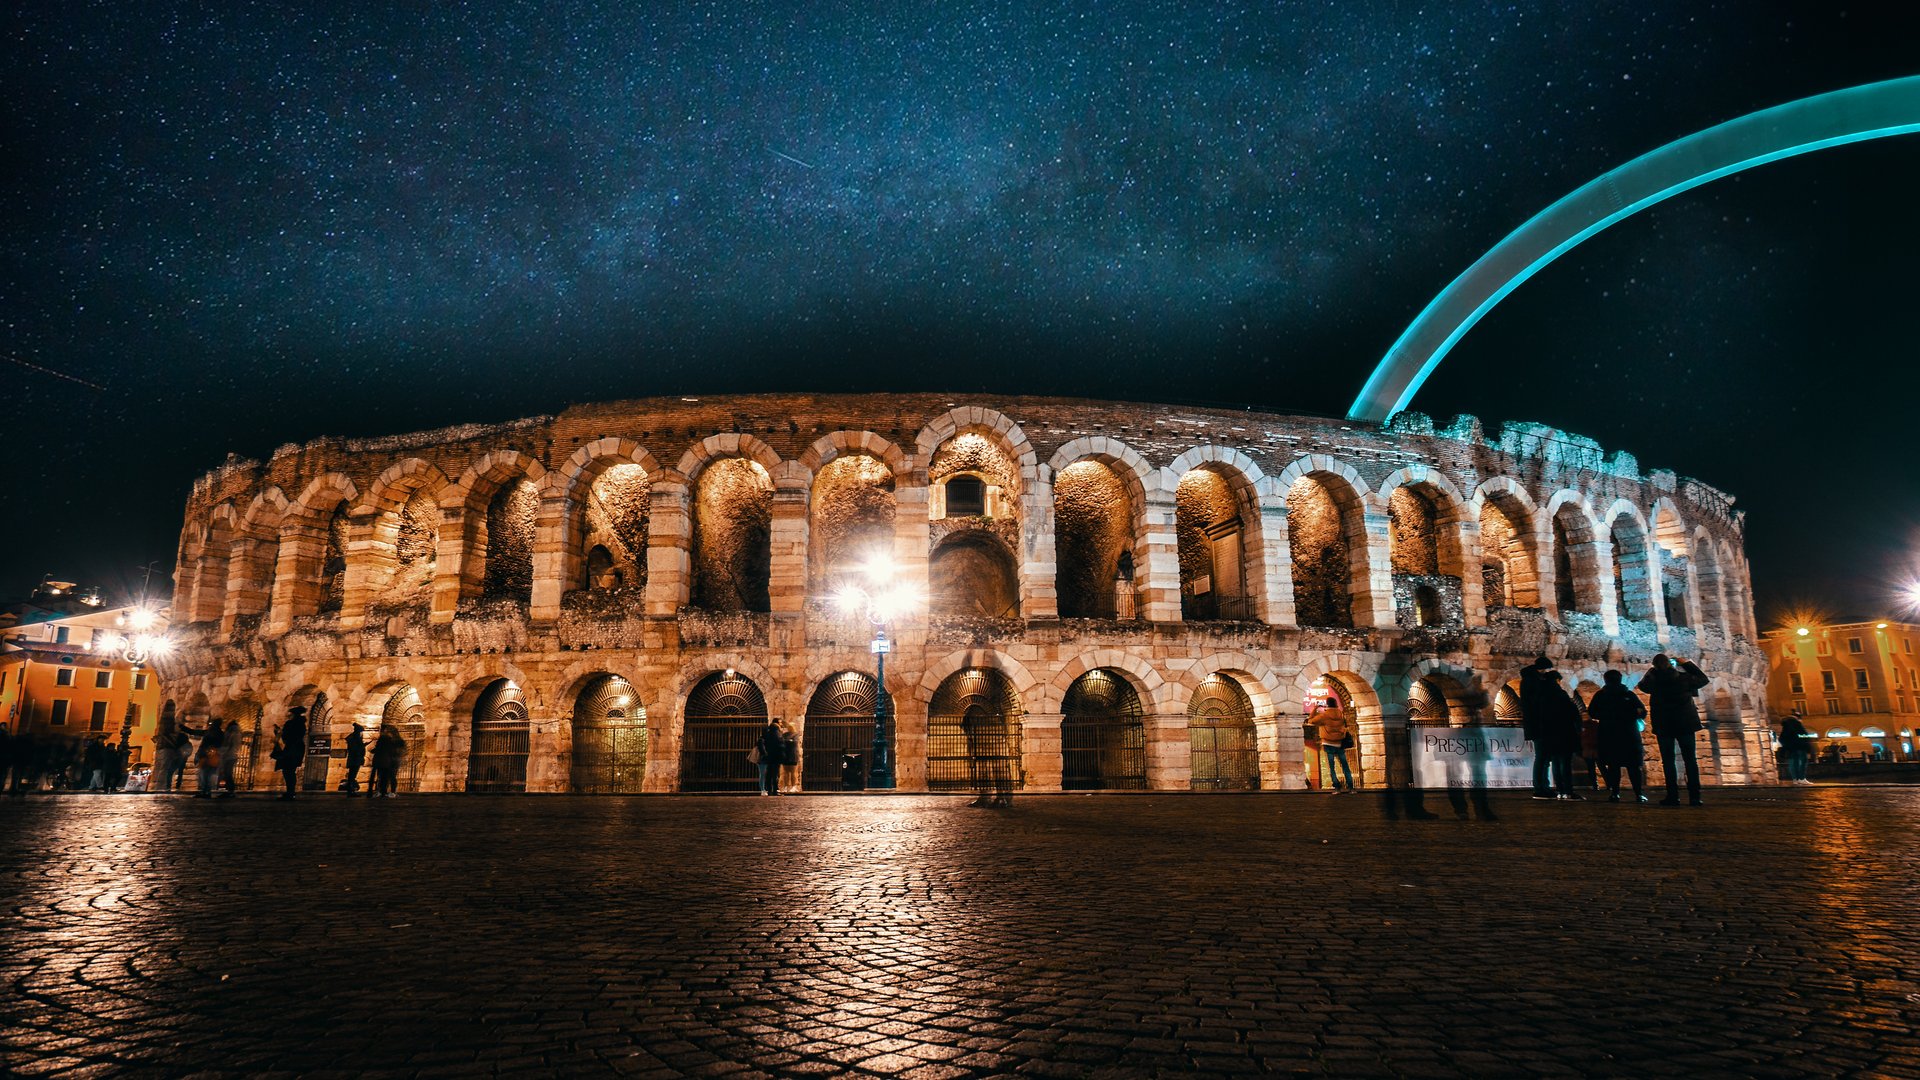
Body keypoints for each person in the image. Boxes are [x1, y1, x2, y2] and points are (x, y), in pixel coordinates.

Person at [1638, 654, 1711, 806]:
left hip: (1664, 725)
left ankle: (1673, 796)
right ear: (1671, 665)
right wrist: (1686, 664)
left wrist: (1652, 671)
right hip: (1685, 724)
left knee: (1668, 761)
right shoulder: (1684, 678)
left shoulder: (1655, 680)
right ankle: (1695, 797)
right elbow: (1703, 679)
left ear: (1655, 665)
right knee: (1690, 760)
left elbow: (1642, 686)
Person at [1588, 669, 1648, 802]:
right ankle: (1638, 794)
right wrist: (1632, 714)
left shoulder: (1601, 695)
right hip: (1629, 734)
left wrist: (1607, 716)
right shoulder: (1629, 695)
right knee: (1633, 766)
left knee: (1613, 766)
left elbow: (1592, 712)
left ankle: (1615, 793)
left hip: (1609, 734)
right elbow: (1642, 712)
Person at [1518, 655, 1560, 800]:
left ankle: (1543, 786)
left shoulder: (1530, 680)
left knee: (1543, 757)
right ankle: (1540, 787)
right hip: (1539, 724)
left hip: (1536, 723)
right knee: (1542, 757)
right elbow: (1536, 701)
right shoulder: (1533, 681)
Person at [1537, 671, 1584, 800]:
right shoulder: (1560, 694)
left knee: (1556, 762)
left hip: (1549, 733)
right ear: (1557, 680)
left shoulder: (1542, 695)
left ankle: (1560, 790)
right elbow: (1572, 711)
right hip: (1564, 732)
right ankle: (1568, 790)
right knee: (1565, 762)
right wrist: (1578, 726)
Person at [1313, 697, 1355, 793]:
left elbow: (1311, 721)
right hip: (1339, 742)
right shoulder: (1341, 714)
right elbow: (1345, 725)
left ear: (1327, 704)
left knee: (1331, 767)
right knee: (1345, 765)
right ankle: (1351, 787)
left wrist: (1315, 708)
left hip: (1328, 743)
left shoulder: (1324, 715)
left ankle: (1337, 788)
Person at [275, 706, 307, 800]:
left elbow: (285, 737)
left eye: (290, 714)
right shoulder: (302, 724)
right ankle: (291, 792)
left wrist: (278, 731)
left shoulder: (290, 724)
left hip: (291, 748)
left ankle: (290, 792)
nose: (289, 716)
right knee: (291, 770)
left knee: (287, 771)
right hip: (298, 748)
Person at [1778, 712, 1813, 785]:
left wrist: (1787, 745)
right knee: (1802, 762)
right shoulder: (1797, 724)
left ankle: (1795, 779)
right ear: (1798, 718)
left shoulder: (1785, 726)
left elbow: (1781, 738)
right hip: (1800, 747)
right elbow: (1804, 735)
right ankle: (1802, 778)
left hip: (1791, 749)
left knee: (1793, 763)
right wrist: (1804, 743)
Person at [372, 723, 406, 797]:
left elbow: (400, 751)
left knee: (391, 776)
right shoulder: (389, 740)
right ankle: (383, 791)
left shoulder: (397, 741)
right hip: (388, 760)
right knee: (384, 776)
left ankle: (391, 791)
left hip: (393, 760)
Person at [754, 717, 784, 795]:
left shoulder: (767, 732)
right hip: (775, 756)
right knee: (775, 773)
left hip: (769, 756)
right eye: (780, 723)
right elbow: (779, 744)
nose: (781, 724)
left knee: (769, 773)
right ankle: (774, 790)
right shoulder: (776, 732)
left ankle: (769, 789)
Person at [219, 720, 245, 797]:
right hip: (233, 755)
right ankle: (230, 791)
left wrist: (222, 752)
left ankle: (230, 791)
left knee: (227, 773)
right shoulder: (238, 733)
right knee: (228, 773)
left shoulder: (231, 733)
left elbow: (228, 744)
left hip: (229, 756)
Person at [343, 724, 367, 794]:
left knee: (352, 775)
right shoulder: (354, 738)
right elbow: (355, 749)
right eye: (360, 732)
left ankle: (351, 790)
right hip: (355, 759)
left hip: (355, 759)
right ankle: (351, 791)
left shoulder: (354, 738)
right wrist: (363, 746)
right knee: (352, 775)